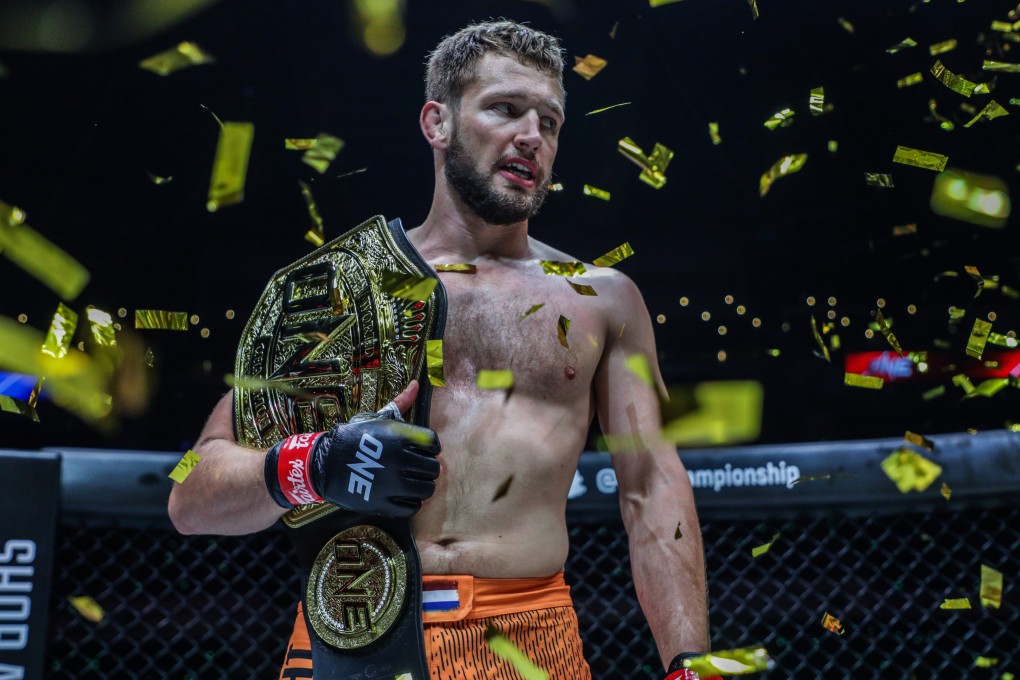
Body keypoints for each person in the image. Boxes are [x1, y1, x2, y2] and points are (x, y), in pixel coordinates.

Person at [168, 18, 713, 680]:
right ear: (437, 123)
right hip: (352, 638)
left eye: (550, 121)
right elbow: (189, 489)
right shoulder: (339, 291)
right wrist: (315, 461)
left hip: (526, 642)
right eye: (506, 109)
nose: (531, 136)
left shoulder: (603, 301)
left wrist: (690, 664)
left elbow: (652, 487)